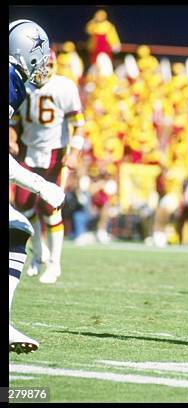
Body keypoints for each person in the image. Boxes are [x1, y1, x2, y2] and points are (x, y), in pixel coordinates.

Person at [9, 19, 66, 353]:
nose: (44, 61)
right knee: (16, 227)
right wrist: (40, 185)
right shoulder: (10, 81)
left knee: (16, 229)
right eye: (40, 53)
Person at [10, 50, 86, 284]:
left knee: (51, 208)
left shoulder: (64, 87)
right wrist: (12, 138)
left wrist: (74, 152)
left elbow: (79, 124)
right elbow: (14, 121)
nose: (44, 70)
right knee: (24, 208)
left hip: (55, 154)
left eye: (49, 64)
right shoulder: (23, 86)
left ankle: (55, 263)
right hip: (28, 151)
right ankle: (39, 254)